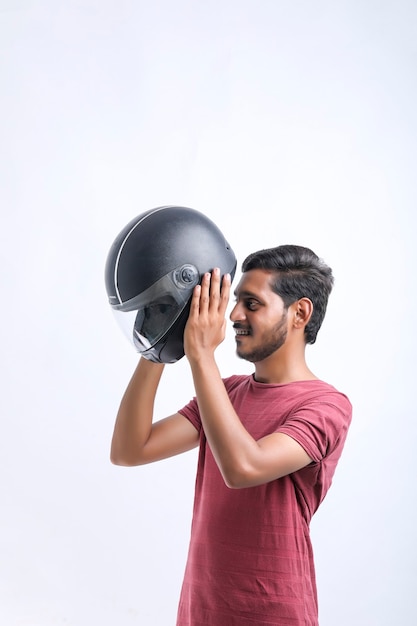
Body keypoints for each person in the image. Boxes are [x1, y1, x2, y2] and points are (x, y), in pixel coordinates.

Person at [110, 244, 352, 626]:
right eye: (235, 301)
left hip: (274, 615)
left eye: (252, 304)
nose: (234, 315)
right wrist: (160, 338)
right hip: (200, 612)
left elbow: (243, 467)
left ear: (299, 313)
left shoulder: (326, 405)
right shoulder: (227, 393)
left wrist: (201, 355)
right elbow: (129, 449)